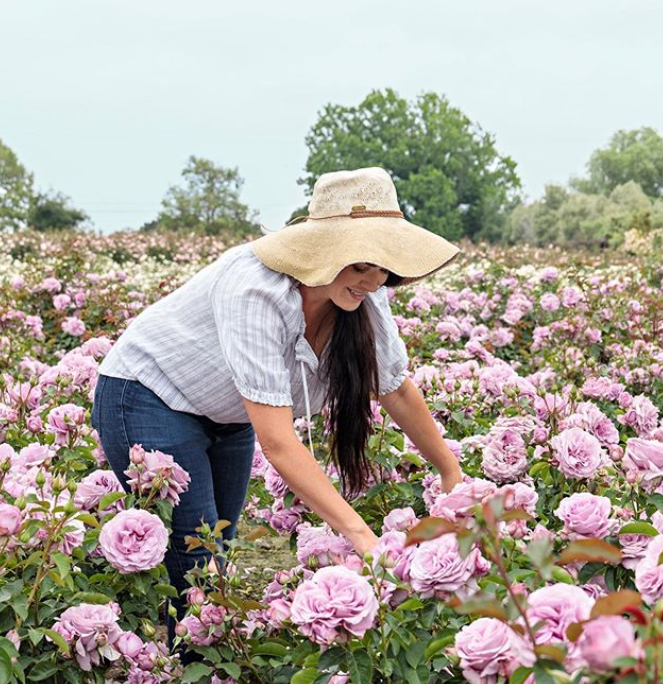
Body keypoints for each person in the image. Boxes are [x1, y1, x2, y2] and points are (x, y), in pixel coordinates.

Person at [91, 166, 463, 634]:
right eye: (363, 265)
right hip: (147, 395)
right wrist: (364, 540)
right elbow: (280, 443)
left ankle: (197, 653)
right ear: (325, 251)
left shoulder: (363, 295)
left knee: (215, 547)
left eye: (383, 268)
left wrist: (450, 470)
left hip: (226, 413)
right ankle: (183, 659)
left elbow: (394, 387)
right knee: (197, 557)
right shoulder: (256, 288)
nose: (374, 280)